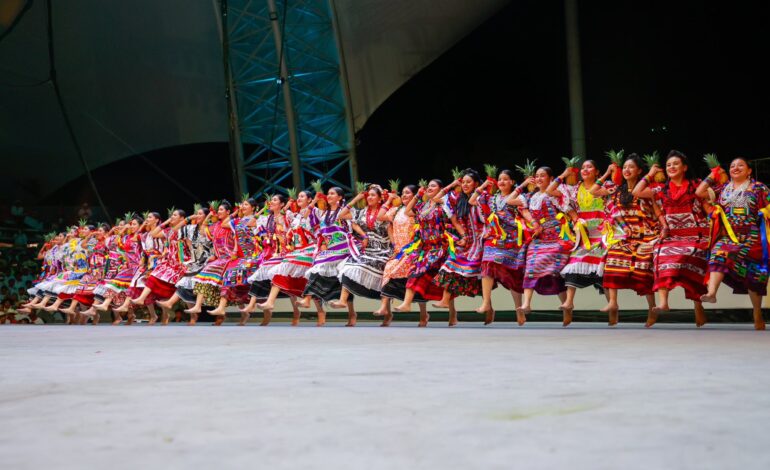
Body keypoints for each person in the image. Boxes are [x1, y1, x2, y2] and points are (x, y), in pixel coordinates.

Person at [633, 150, 710, 327]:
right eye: (668, 165)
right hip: (673, 237)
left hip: (696, 236)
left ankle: (698, 306)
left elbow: (710, 198)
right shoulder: (661, 189)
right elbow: (637, 191)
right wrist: (650, 174)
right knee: (660, 252)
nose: (672, 167)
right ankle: (663, 302)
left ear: (685, 167)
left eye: (676, 164)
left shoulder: (695, 185)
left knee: (688, 257)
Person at [696, 157, 769, 330]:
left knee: (754, 277)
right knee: (718, 254)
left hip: (753, 237)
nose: (736, 168)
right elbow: (700, 193)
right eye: (732, 166)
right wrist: (713, 175)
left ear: (749, 170)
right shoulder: (722, 189)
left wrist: (765, 212)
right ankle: (712, 292)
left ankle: (757, 312)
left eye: (740, 165)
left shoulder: (759, 188)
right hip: (729, 237)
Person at [590, 154, 660, 325]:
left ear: (640, 171)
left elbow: (657, 214)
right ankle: (613, 303)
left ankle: (652, 308)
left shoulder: (647, 190)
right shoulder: (618, 190)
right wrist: (607, 172)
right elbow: (593, 191)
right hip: (625, 237)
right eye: (625, 167)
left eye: (631, 167)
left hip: (646, 235)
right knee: (612, 257)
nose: (627, 170)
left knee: (643, 267)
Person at [548, 160, 609, 326]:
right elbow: (550, 190)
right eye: (583, 168)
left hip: (603, 234)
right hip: (585, 236)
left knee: (602, 269)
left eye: (589, 167)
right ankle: (569, 303)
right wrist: (565, 175)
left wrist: (608, 173)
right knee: (573, 264)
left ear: (597, 171)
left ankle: (612, 306)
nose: (585, 170)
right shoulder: (573, 189)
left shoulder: (605, 186)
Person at [470, 169, 535, 324]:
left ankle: (518, 310)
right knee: (487, 264)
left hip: (512, 240)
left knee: (513, 277)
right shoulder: (491, 198)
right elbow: (473, 200)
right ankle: (486, 303)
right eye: (500, 179)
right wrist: (486, 183)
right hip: (493, 239)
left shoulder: (521, 197)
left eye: (506, 179)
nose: (502, 182)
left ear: (512, 182)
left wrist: (525, 184)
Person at [330, 185, 393, 327]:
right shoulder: (362, 212)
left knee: (382, 270)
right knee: (348, 265)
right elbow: (341, 215)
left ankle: (386, 311)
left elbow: (391, 229)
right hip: (367, 250)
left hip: (382, 250)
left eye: (373, 195)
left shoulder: (385, 212)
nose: (369, 197)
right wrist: (357, 198)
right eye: (368, 195)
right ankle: (342, 300)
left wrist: (394, 249)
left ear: (379, 198)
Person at [516, 167, 573, 322]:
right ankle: (527, 304)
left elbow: (549, 191)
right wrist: (524, 184)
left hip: (557, 236)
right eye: (537, 176)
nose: (539, 178)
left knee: (553, 273)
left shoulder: (557, 192)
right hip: (539, 238)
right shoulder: (531, 196)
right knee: (531, 267)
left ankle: (566, 306)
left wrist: (563, 175)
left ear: (551, 178)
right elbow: (511, 201)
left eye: (543, 176)